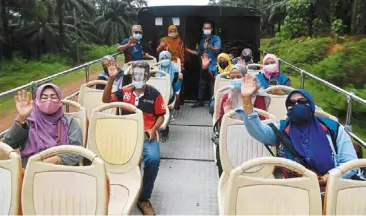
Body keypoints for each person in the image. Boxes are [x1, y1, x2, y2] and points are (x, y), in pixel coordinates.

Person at [238, 73, 362, 185]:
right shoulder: (281, 129)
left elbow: (350, 163)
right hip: (296, 188)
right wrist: (247, 100)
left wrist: (328, 178)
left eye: (302, 101)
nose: (296, 105)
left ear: (311, 105)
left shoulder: (333, 128)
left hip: (333, 187)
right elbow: (258, 131)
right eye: (291, 103)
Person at [102, 61, 165, 215]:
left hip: (145, 134)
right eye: (136, 73)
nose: (138, 76)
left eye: (142, 74)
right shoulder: (125, 92)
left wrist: (153, 129)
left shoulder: (155, 94)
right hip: (125, 135)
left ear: (147, 76)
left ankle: (144, 198)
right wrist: (111, 79)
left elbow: (161, 116)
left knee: (153, 159)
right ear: (131, 74)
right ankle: (113, 191)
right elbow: (106, 100)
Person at [3, 84, 82, 168]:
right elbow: (8, 143)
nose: (49, 101)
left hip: (62, 169)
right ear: (37, 101)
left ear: (59, 101)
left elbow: (77, 152)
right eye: (44, 98)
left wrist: (56, 159)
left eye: (53, 97)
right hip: (30, 170)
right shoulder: (28, 121)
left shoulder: (69, 122)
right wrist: (21, 118)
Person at [215, 64, 271, 176]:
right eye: (232, 78)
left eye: (238, 76)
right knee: (220, 149)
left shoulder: (258, 97)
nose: (235, 80)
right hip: (233, 135)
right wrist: (227, 115)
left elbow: (261, 120)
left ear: (245, 77)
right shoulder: (227, 97)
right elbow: (221, 125)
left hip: (253, 137)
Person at [186, 21, 221, 108]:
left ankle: (212, 103)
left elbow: (217, 50)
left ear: (211, 29)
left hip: (213, 66)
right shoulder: (202, 41)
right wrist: (187, 50)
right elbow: (198, 52)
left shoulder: (216, 39)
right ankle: (200, 101)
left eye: (208, 28)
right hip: (204, 66)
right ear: (202, 29)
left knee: (212, 85)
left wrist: (209, 47)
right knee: (202, 83)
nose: (206, 30)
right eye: (205, 28)